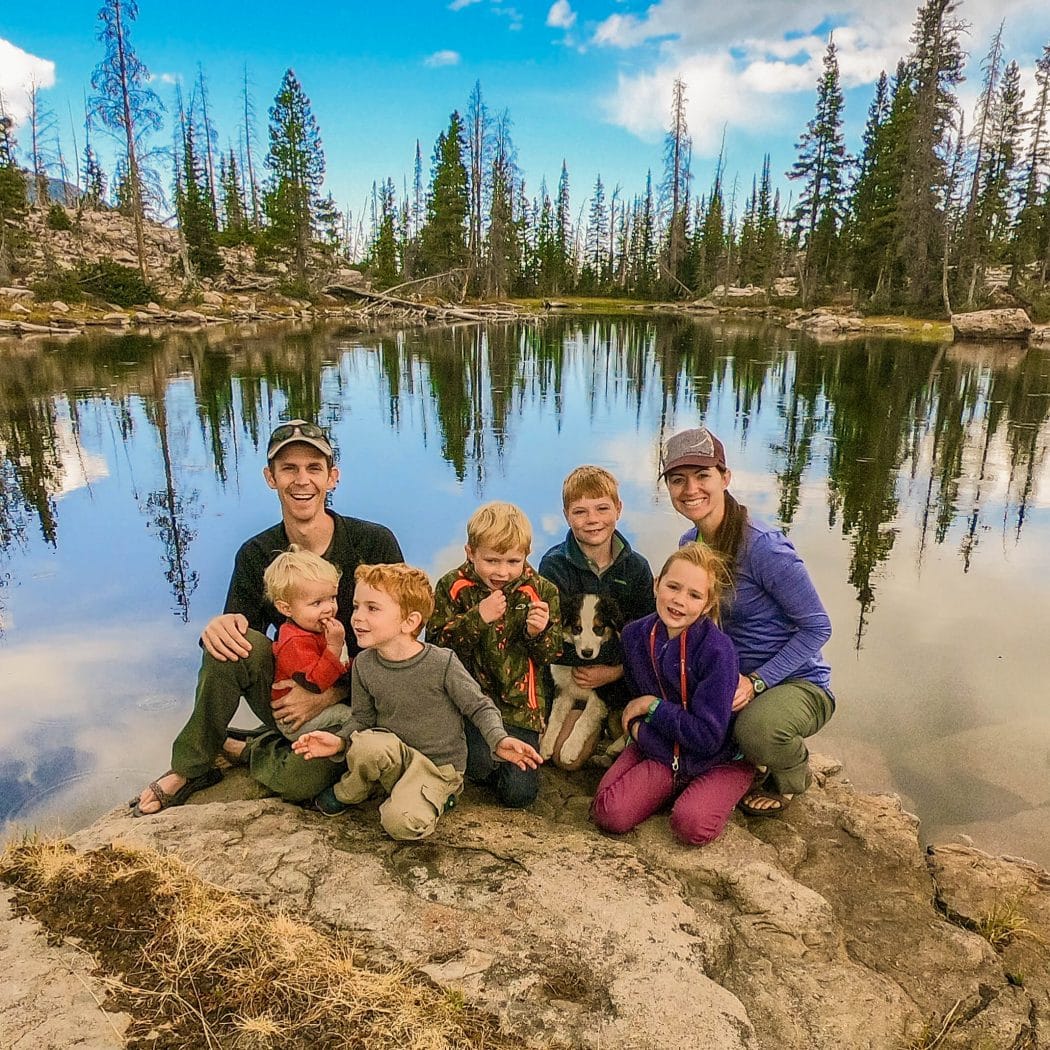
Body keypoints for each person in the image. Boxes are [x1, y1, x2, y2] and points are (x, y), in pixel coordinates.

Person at [132, 419, 403, 816]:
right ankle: (192, 765)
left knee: (303, 781)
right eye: (288, 468)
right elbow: (242, 641)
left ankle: (250, 747)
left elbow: (401, 640)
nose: (302, 481)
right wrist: (216, 630)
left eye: (314, 468)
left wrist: (328, 695)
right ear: (270, 477)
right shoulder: (257, 553)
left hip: (358, 699)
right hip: (290, 690)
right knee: (228, 645)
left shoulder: (373, 542)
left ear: (333, 477)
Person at [292, 563, 543, 840]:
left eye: (372, 608)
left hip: (437, 768)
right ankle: (352, 791)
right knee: (366, 743)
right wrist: (339, 742)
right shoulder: (364, 664)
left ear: (409, 622)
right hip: (396, 756)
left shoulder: (442, 662)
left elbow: (478, 705)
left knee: (400, 824)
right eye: (356, 607)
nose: (357, 618)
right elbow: (362, 720)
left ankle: (434, 797)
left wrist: (498, 739)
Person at [660, 425, 834, 817]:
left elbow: (818, 627)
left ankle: (790, 774)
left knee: (756, 731)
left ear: (725, 477)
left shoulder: (764, 547)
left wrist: (758, 682)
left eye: (702, 476)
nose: (691, 490)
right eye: (678, 480)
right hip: (729, 679)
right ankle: (735, 759)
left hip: (794, 681)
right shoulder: (690, 545)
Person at [591, 543, 754, 844]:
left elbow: (707, 737)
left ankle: (743, 776)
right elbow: (634, 707)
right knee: (607, 813)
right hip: (661, 751)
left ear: (707, 604)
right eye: (673, 587)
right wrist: (640, 732)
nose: (679, 601)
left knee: (691, 826)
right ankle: (668, 787)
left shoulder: (718, 651)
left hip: (715, 758)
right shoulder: (634, 636)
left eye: (694, 595)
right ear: (657, 585)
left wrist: (652, 707)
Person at [428, 502, 561, 809]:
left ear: (527, 554)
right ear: (470, 552)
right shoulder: (451, 587)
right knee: (475, 765)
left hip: (519, 709)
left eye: (513, 561)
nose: (502, 571)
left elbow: (551, 655)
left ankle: (501, 761)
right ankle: (483, 761)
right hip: (467, 704)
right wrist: (478, 618)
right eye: (492, 560)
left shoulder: (542, 591)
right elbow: (435, 647)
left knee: (519, 796)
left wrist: (535, 634)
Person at [538, 465, 655, 769]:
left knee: (574, 754)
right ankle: (597, 723)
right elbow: (551, 637)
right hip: (572, 676)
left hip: (619, 677)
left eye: (602, 508)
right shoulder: (554, 566)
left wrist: (615, 670)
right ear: (566, 515)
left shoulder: (637, 569)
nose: (592, 520)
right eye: (580, 512)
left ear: (618, 508)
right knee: (567, 761)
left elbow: (647, 635)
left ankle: (623, 726)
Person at [262, 546, 352, 738]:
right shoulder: (294, 641)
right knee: (349, 717)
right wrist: (334, 646)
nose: (329, 608)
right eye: (317, 603)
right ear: (286, 608)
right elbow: (316, 683)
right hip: (295, 719)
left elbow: (341, 665)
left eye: (332, 598)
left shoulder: (312, 628)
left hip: (317, 708)